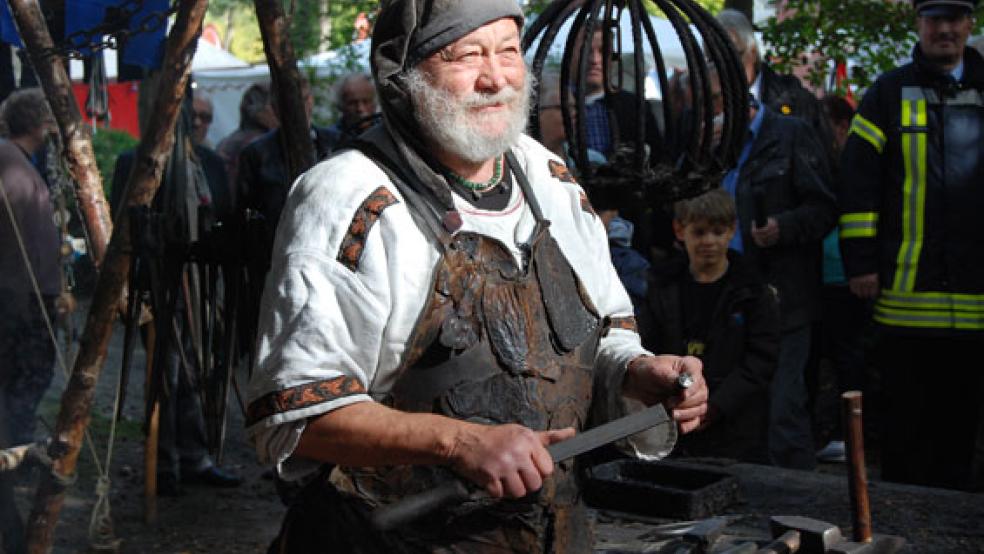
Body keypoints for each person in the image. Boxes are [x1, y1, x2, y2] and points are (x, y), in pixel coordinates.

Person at [245, 1, 708, 551]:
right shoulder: (348, 197)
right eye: (467, 55)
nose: (495, 78)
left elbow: (601, 338)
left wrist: (634, 374)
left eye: (508, 52)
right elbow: (296, 414)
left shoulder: (550, 179)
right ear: (407, 75)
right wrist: (458, 442)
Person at [838, 0, 984, 491]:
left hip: (977, 301)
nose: (945, 29)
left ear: (970, 24)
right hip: (904, 300)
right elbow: (857, 184)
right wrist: (861, 262)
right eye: (935, 19)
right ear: (919, 24)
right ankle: (899, 517)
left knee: (963, 429)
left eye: (955, 19)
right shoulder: (888, 92)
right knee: (905, 429)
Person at [110, 86, 240, 496]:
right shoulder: (135, 162)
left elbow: (225, 217)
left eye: (204, 117)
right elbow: (123, 225)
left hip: (201, 285)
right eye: (192, 116)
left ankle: (196, 456)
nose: (198, 123)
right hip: (156, 286)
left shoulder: (211, 163)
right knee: (163, 375)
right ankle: (163, 463)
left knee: (198, 373)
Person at [721, 94, 836, 470]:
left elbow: (824, 207)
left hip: (784, 296)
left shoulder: (790, 134)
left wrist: (783, 227)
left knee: (784, 406)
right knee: (743, 406)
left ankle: (799, 492)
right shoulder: (714, 142)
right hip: (730, 296)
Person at [638, 189, 779, 463]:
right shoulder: (662, 286)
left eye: (718, 231)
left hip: (738, 423)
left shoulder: (753, 291)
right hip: (675, 417)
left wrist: (716, 406)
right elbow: (647, 345)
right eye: (700, 232)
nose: (709, 241)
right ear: (680, 231)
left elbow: (761, 359)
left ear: (731, 231)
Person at [0, 88, 59, 450]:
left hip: (26, 291)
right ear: (38, 124)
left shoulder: (18, 161)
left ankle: (14, 446)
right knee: (26, 376)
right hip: (21, 296)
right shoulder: (9, 162)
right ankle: (13, 452)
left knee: (27, 376)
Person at [811, 95, 869, 464]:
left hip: (844, 274)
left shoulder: (853, 163)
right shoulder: (828, 162)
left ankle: (849, 435)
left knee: (848, 357)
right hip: (829, 273)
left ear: (842, 126)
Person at [716, 9, 835, 168]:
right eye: (712, 59)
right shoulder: (698, 106)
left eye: (733, 56)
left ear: (753, 52)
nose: (723, 66)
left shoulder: (797, 102)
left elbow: (824, 166)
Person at [216, 82, 278, 190]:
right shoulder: (259, 146)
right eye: (275, 107)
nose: (280, 113)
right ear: (262, 112)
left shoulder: (227, 141)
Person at [326, 73, 379, 149]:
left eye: (366, 102)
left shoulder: (387, 132)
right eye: (352, 103)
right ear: (341, 106)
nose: (360, 108)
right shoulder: (330, 138)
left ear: (375, 103)